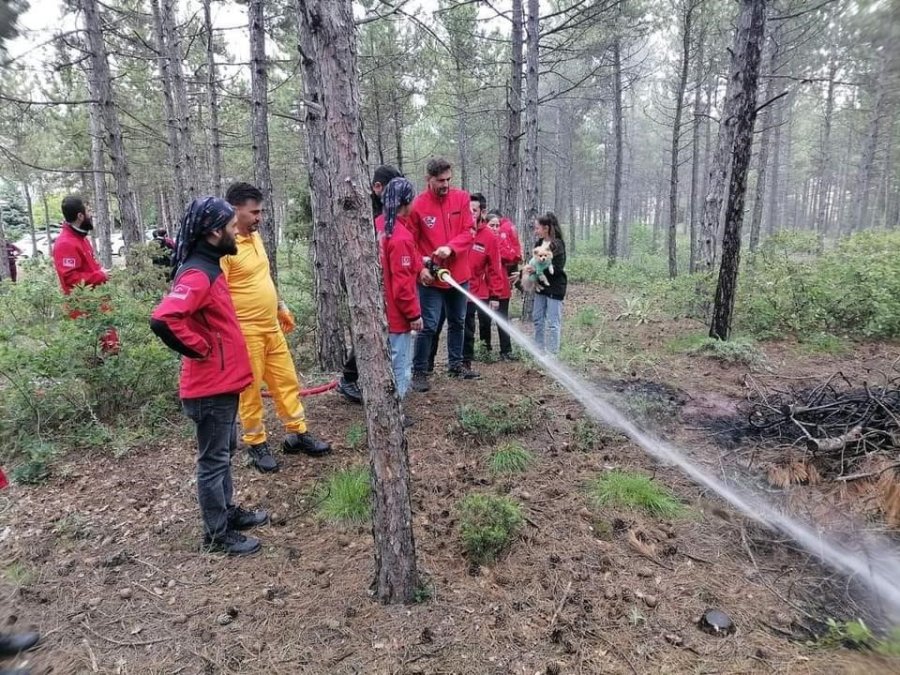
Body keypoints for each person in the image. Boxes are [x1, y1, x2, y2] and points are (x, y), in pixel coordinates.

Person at [150, 196, 268, 556]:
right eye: (231, 226)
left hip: (224, 384)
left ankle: (227, 513)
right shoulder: (198, 273)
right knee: (213, 460)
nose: (237, 231)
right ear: (215, 232)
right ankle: (216, 534)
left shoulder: (212, 266)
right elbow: (164, 318)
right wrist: (201, 349)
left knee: (223, 453)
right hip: (209, 388)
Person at [222, 182, 330, 473]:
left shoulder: (255, 238)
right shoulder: (226, 245)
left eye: (261, 212)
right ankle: (256, 444)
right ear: (235, 211)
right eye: (254, 212)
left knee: (287, 381)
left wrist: (280, 305)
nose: (259, 217)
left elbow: (263, 277)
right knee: (250, 391)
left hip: (271, 328)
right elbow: (219, 293)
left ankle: (297, 433)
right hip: (246, 333)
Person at [336, 164, 404, 404]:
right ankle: (349, 379)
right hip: (360, 277)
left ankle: (367, 377)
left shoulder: (386, 209)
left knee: (378, 329)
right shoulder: (364, 210)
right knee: (368, 330)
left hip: (377, 276)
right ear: (378, 187)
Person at [407, 157, 476, 391]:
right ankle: (420, 371)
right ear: (428, 179)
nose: (445, 184)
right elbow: (411, 243)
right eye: (440, 180)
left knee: (458, 320)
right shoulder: (417, 205)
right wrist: (421, 268)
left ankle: (455, 365)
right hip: (432, 279)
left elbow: (469, 231)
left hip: (459, 275)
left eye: (448, 179)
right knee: (429, 325)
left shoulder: (462, 198)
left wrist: (451, 247)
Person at [377, 177, 424, 408]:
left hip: (379, 311)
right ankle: (396, 411)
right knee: (401, 363)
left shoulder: (379, 226)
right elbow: (403, 285)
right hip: (396, 315)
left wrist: (421, 266)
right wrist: (414, 314)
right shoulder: (401, 237)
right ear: (407, 201)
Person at [52, 195, 119, 353]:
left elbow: (88, 268)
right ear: (80, 216)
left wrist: (101, 273)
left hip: (98, 304)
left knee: (112, 350)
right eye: (88, 211)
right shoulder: (65, 243)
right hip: (85, 310)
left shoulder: (81, 238)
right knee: (94, 355)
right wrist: (101, 276)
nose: (91, 215)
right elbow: (70, 279)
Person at [462, 194, 504, 369]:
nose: (471, 214)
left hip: (475, 291)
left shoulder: (489, 237)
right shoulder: (459, 229)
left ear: (483, 212)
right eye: (468, 210)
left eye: (474, 210)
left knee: (469, 326)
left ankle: (465, 363)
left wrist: (495, 295)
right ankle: (428, 365)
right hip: (453, 288)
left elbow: (495, 268)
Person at [522, 212, 567, 355]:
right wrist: (529, 272)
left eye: (537, 228)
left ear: (546, 228)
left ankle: (553, 354)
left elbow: (558, 268)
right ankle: (539, 350)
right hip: (540, 288)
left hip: (555, 287)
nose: (535, 231)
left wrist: (537, 270)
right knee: (537, 318)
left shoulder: (557, 244)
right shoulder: (538, 244)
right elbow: (534, 263)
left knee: (553, 323)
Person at [488, 211, 521, 360]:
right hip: (485, 287)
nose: (495, 228)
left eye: (497, 225)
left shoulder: (502, 239)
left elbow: (511, 256)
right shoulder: (481, 239)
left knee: (503, 318)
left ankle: (506, 351)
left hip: (502, 287)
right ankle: (486, 349)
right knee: (484, 320)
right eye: (492, 225)